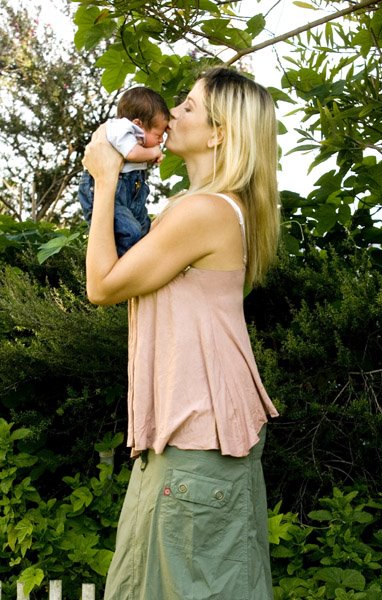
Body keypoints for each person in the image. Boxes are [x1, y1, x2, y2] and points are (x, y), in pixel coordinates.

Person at [82, 66, 280, 600]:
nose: (172, 115)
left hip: (195, 440)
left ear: (218, 134)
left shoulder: (204, 211)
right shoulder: (208, 208)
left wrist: (105, 176)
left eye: (189, 107)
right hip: (189, 439)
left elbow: (102, 285)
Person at [78, 86, 170, 256]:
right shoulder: (121, 127)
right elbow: (131, 153)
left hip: (130, 189)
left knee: (144, 229)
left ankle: (136, 262)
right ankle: (119, 263)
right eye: (158, 135)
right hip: (109, 191)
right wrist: (153, 152)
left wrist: (148, 156)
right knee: (130, 231)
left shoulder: (135, 136)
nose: (161, 140)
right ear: (138, 124)